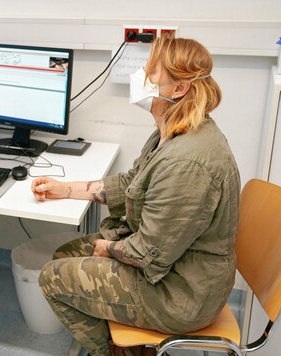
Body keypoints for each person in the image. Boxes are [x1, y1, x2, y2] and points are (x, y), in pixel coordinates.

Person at [32, 36, 240, 355]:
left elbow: (148, 252)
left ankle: (121, 352)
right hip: (169, 267)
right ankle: (131, 347)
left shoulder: (187, 162)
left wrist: (109, 248)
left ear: (179, 88)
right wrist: (66, 189)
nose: (141, 77)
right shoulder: (173, 131)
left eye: (150, 72)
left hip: (178, 293)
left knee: (53, 278)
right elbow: (133, 182)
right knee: (64, 254)